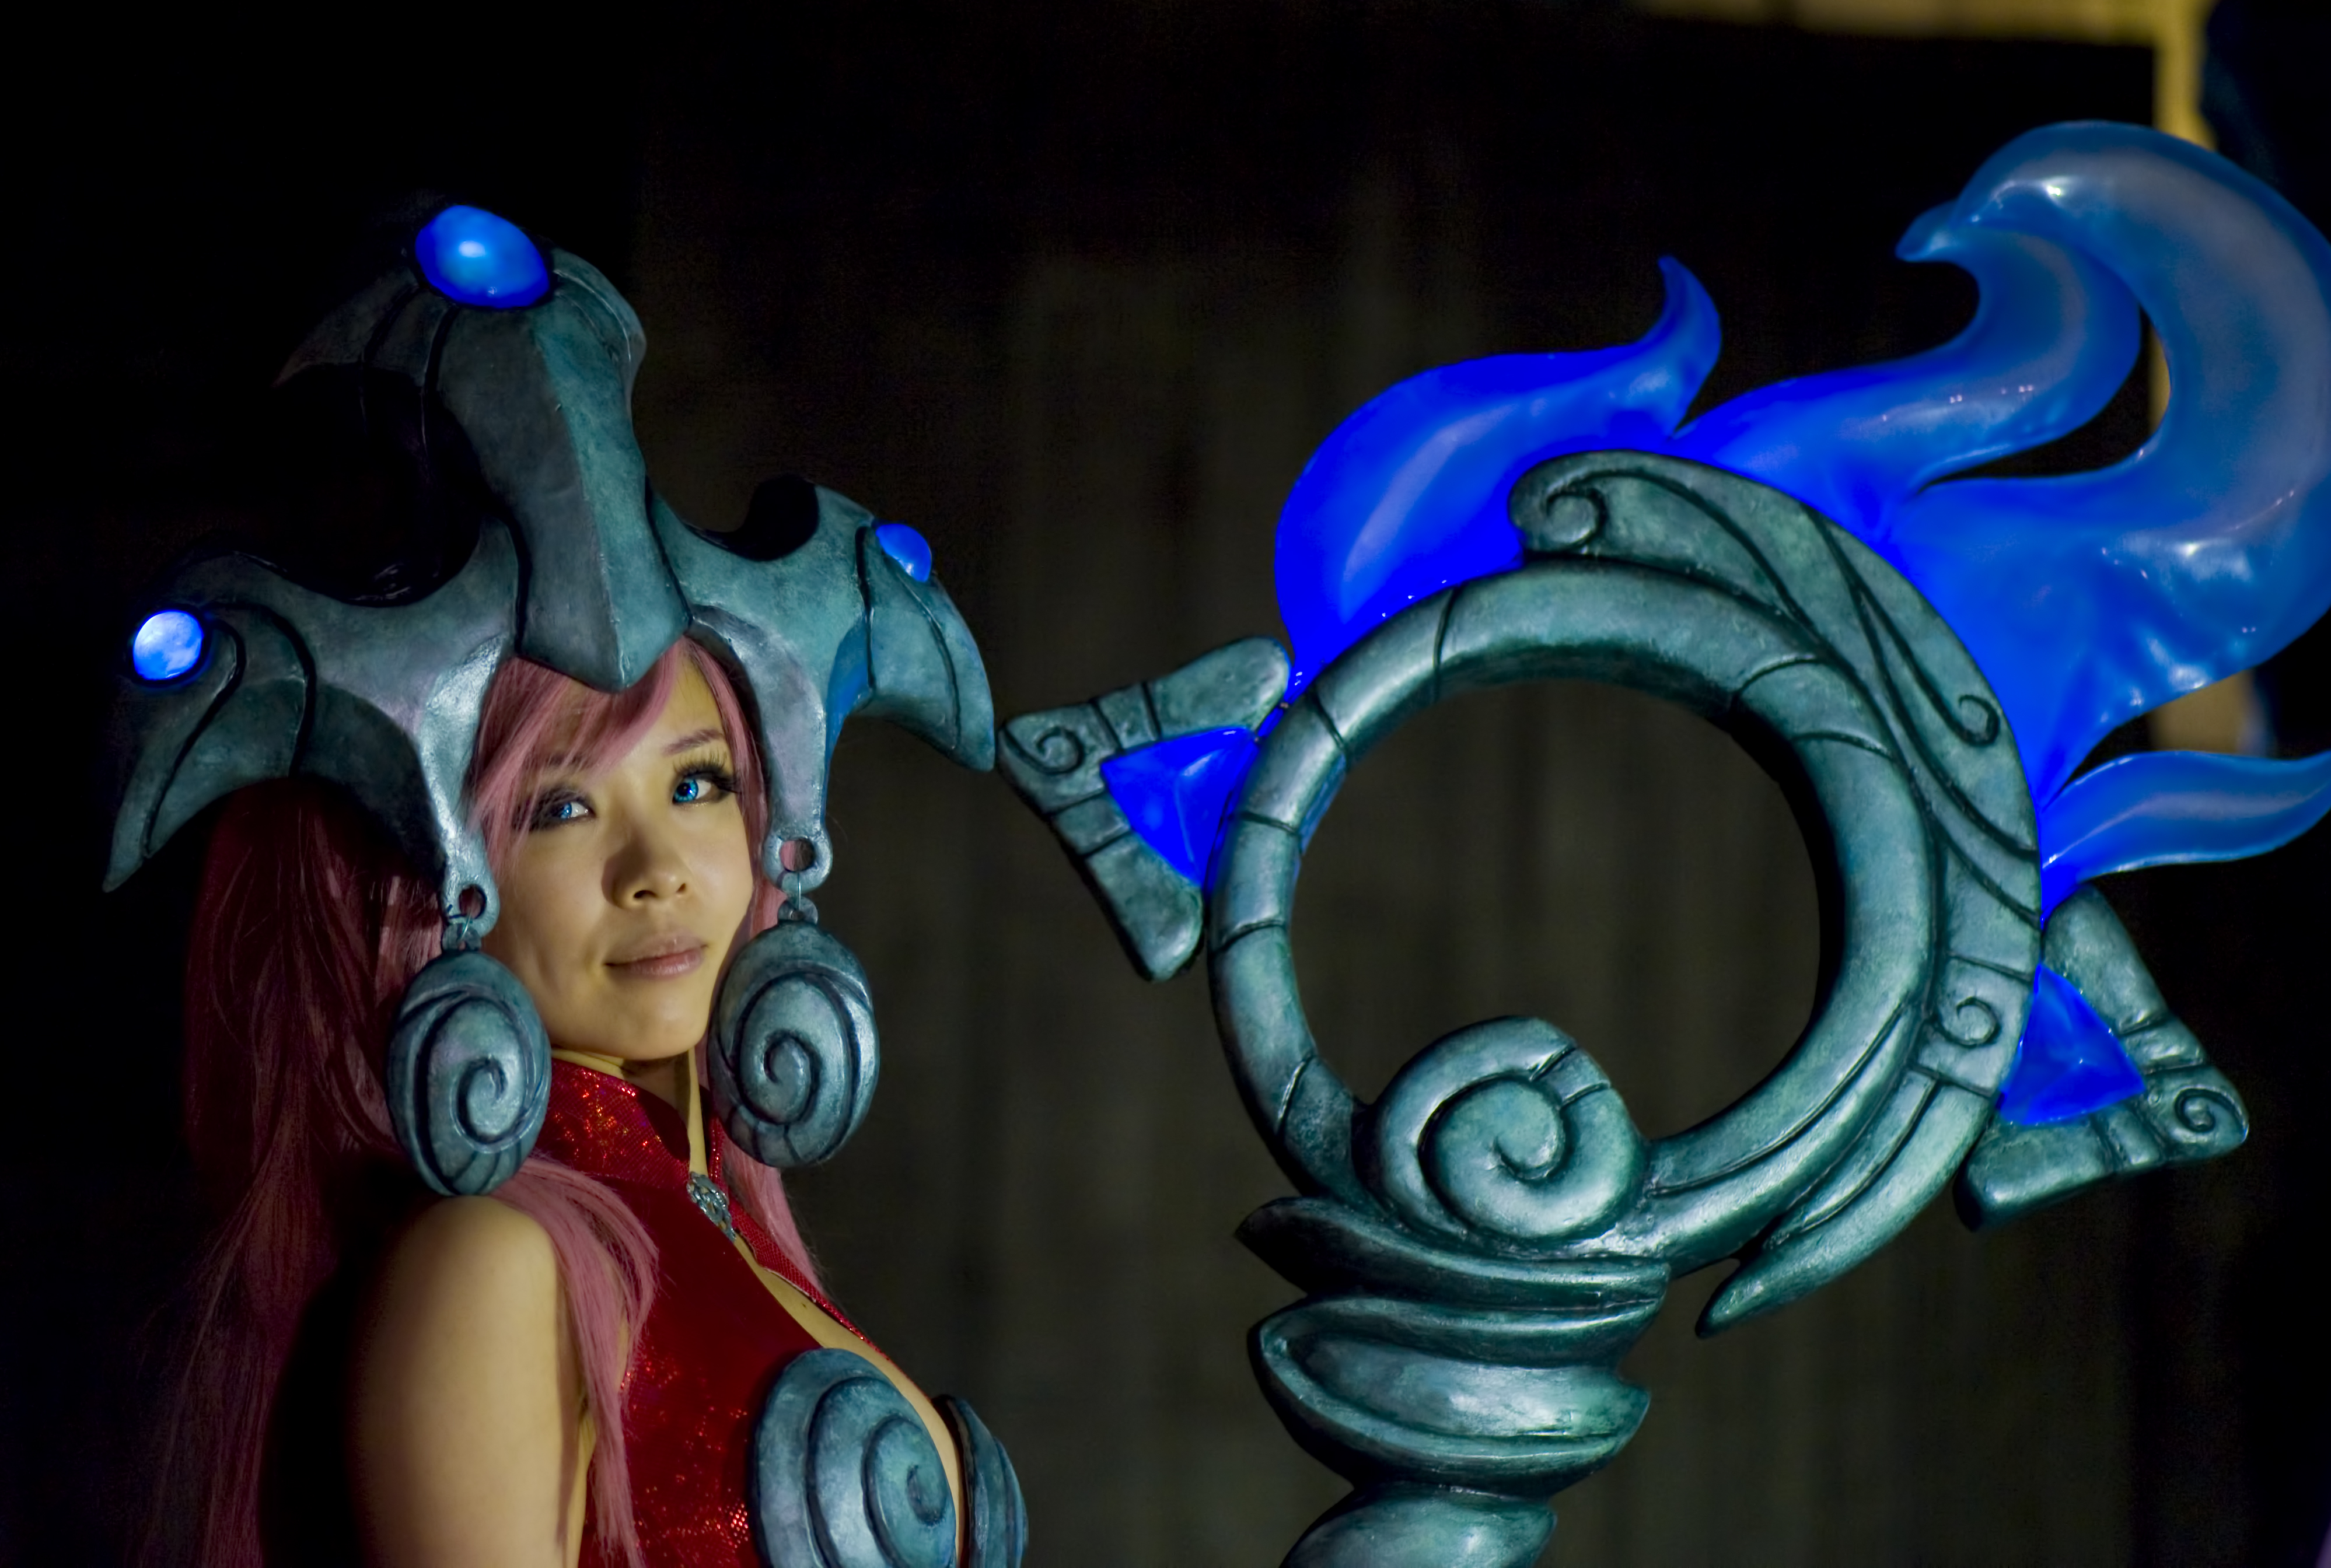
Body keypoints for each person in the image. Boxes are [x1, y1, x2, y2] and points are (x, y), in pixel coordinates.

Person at [116, 202, 1011, 1568]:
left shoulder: (717, 1228)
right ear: (433, 886)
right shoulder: (492, 1268)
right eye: (559, 807)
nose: (658, 873)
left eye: (699, 784)